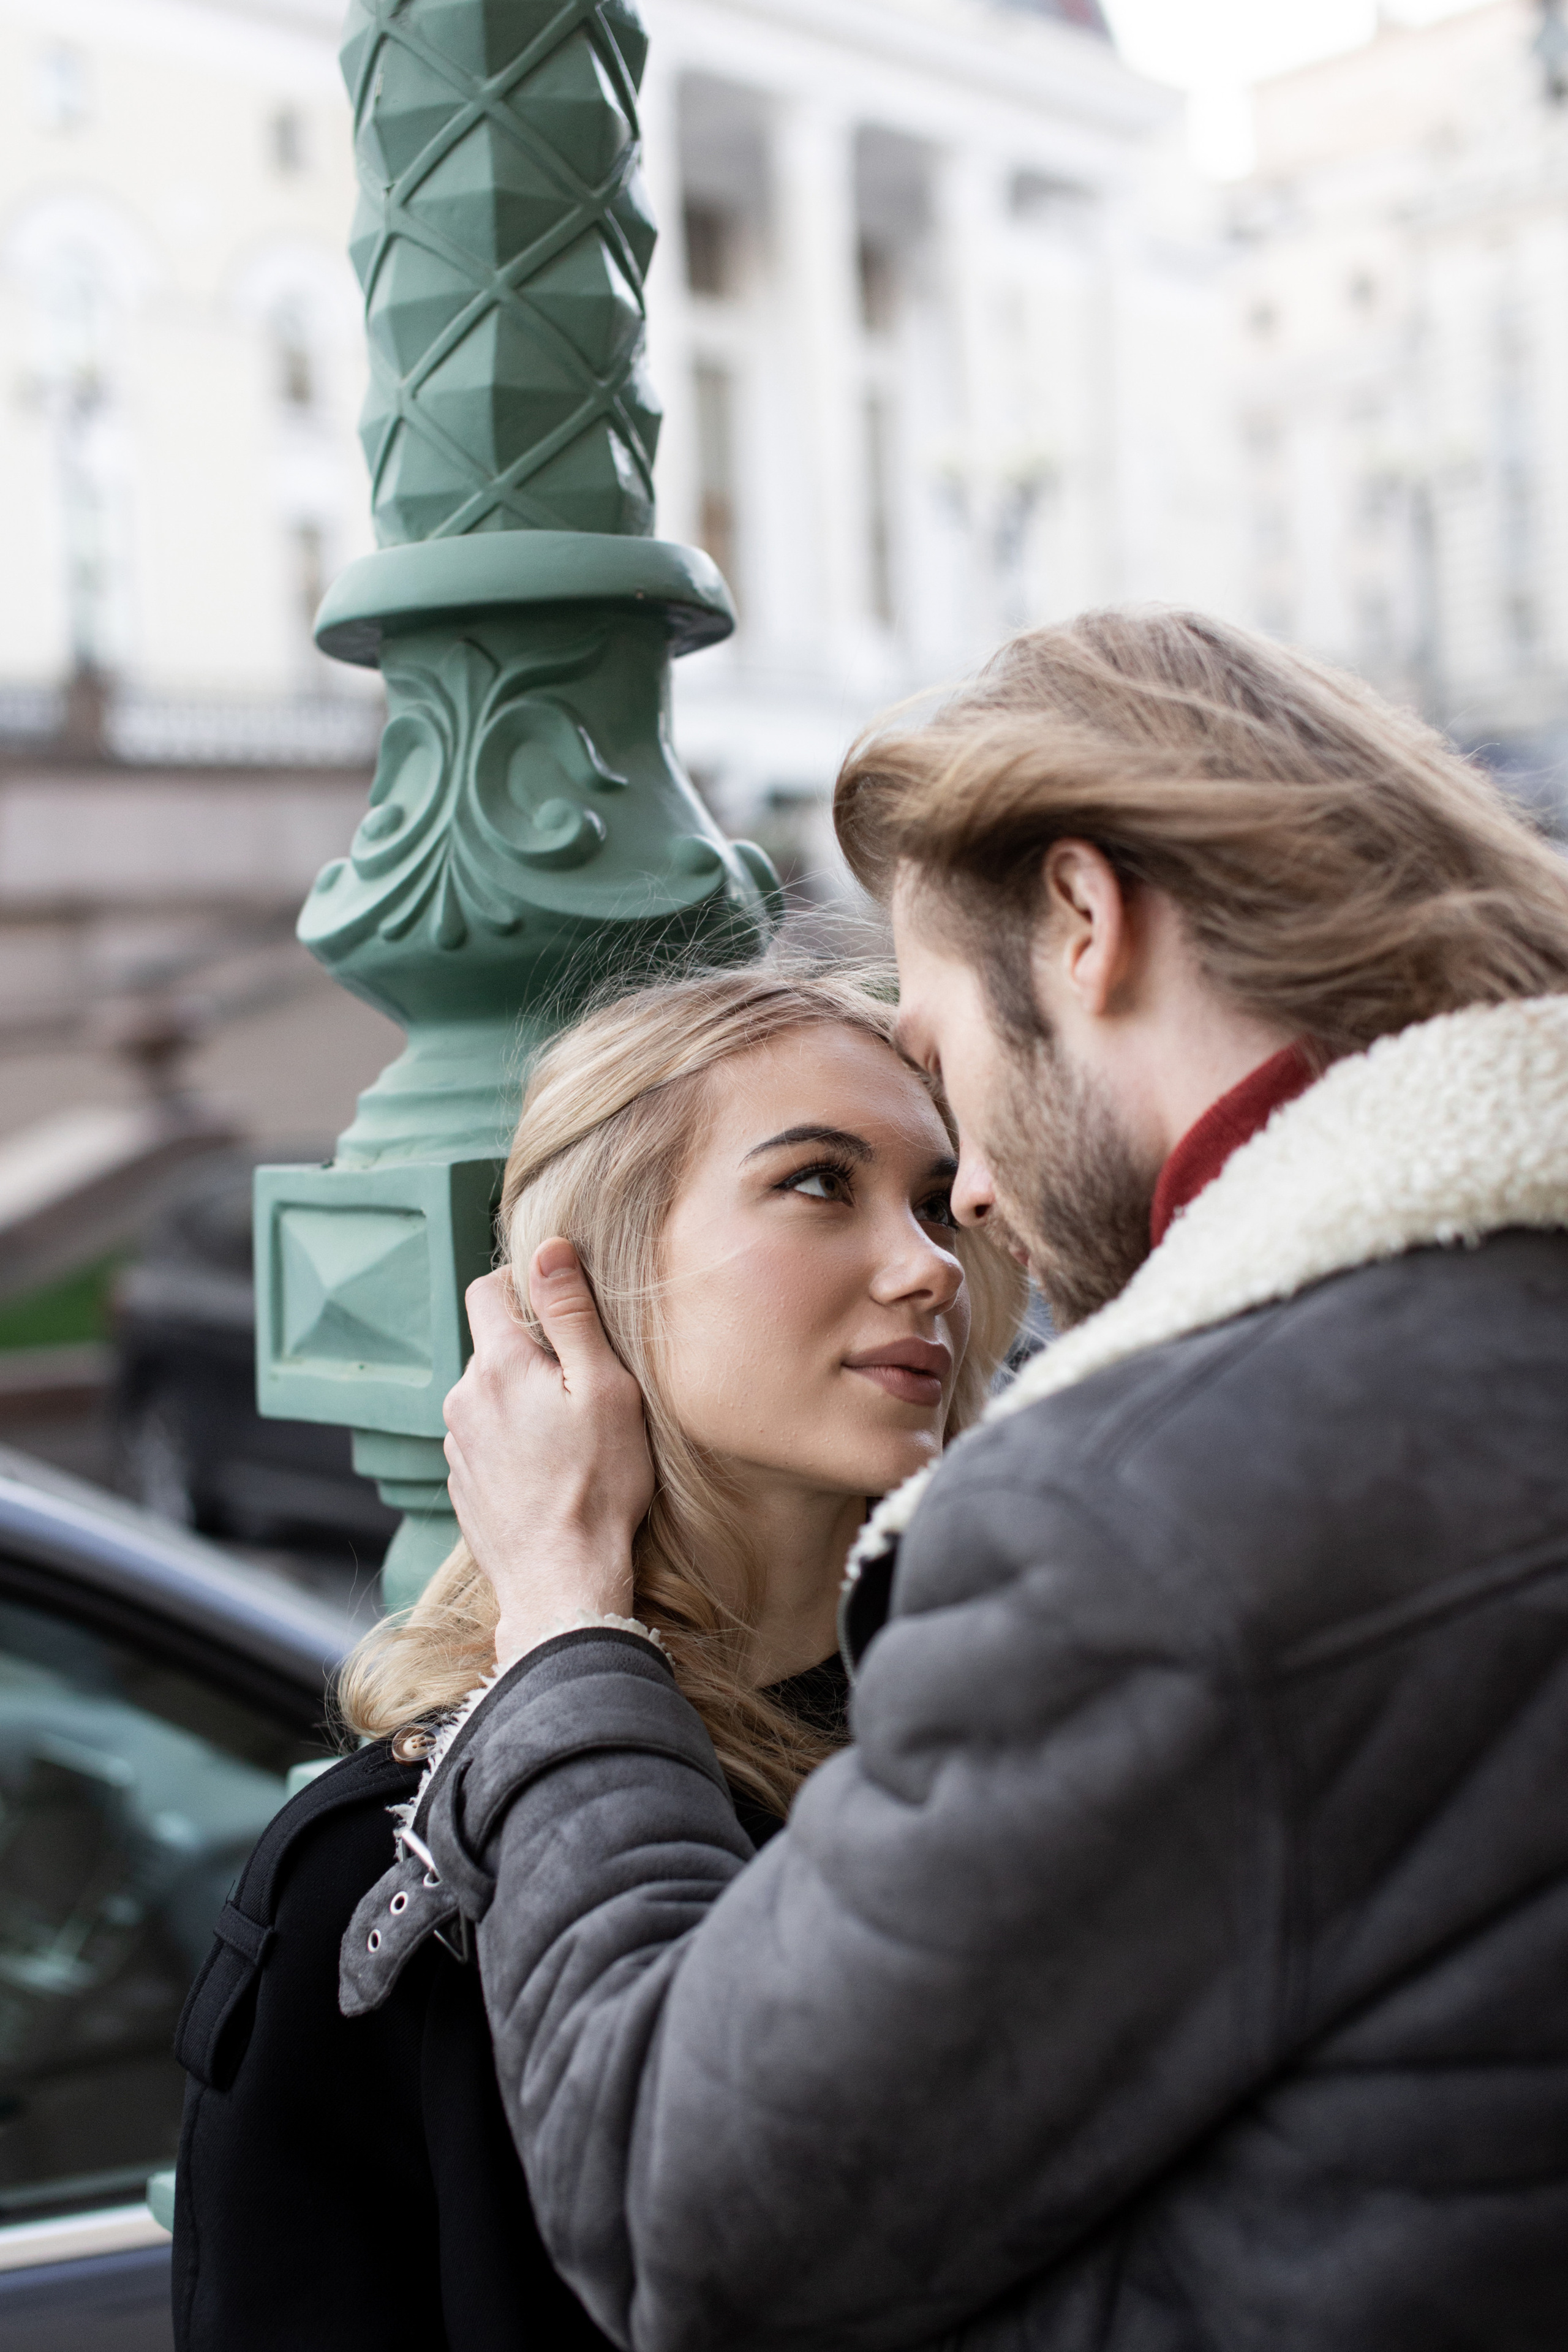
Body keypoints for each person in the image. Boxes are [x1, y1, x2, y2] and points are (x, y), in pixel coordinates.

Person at [374, 609, 1568, 2352]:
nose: (970, 1221)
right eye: (813, 1184)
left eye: (942, 1070)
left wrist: (563, 1621)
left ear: (1083, 923)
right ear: (591, 1271)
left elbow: (690, 2214)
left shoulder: (1144, 1513)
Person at [169, 967, 1020, 2351]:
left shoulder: (1027, 1731)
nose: (927, 1264)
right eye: (818, 1183)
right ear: (587, 1273)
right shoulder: (391, 1871)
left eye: (940, 1200)